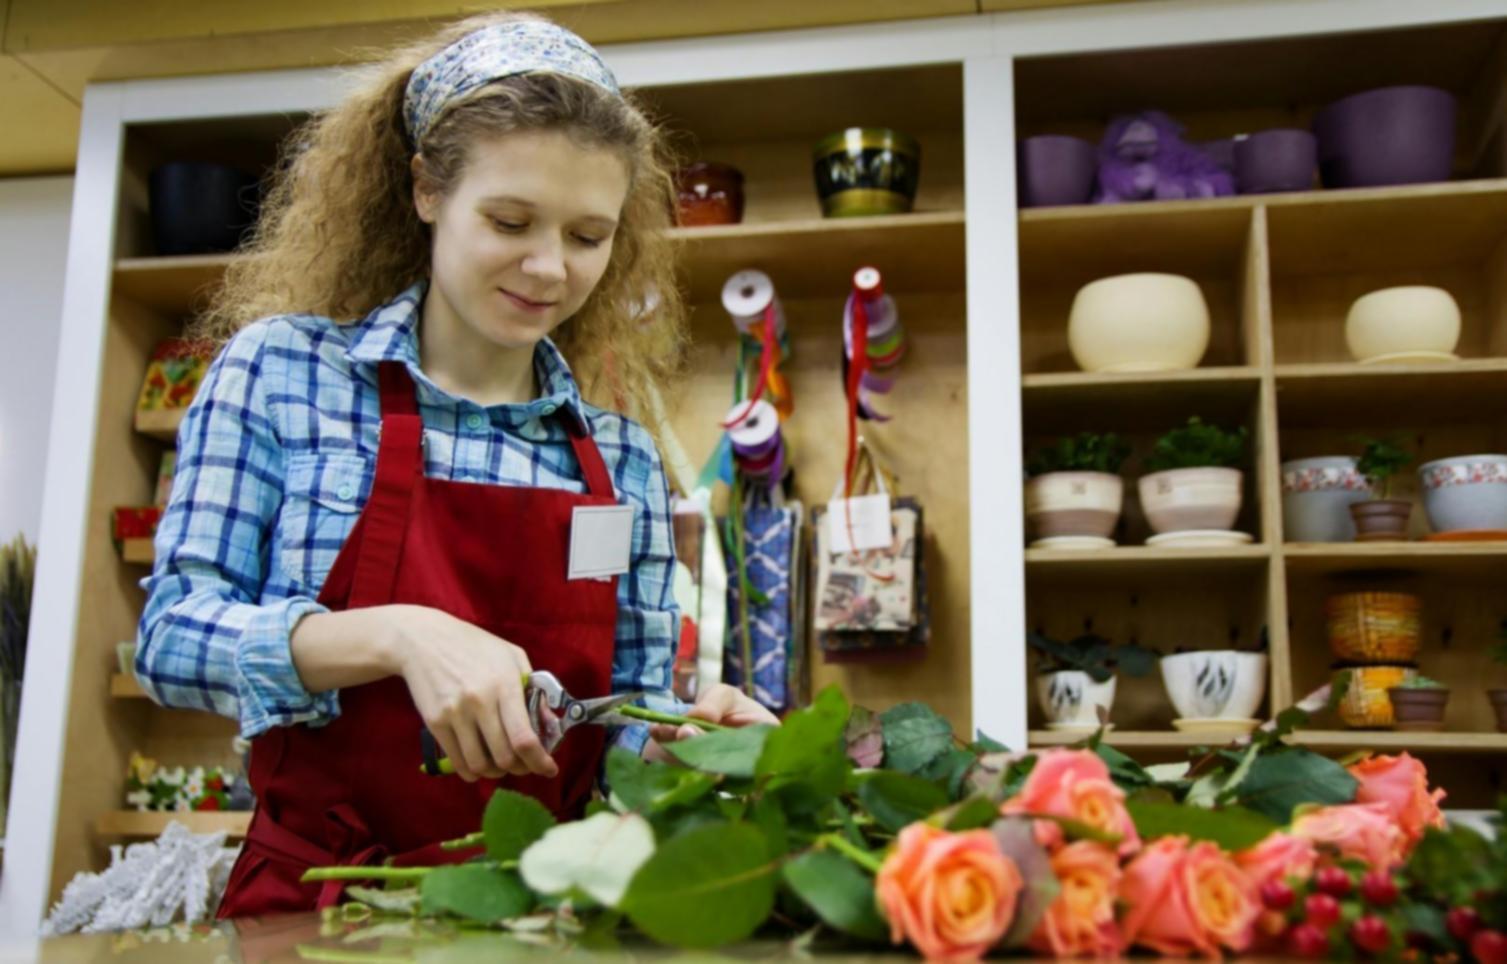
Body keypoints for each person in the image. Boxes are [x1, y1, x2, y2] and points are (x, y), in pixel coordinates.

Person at [135, 11, 777, 918]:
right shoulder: (284, 372)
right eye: (510, 220)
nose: (549, 267)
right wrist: (398, 635)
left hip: (543, 915)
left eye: (588, 236)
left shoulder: (619, 457)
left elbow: (623, 725)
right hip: (315, 905)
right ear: (427, 191)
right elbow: (169, 640)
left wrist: (686, 749)